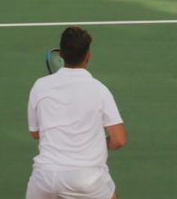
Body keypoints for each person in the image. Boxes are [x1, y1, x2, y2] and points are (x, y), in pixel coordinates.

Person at [27, 26, 126, 199]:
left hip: (45, 178)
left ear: (61, 55)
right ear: (88, 55)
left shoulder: (40, 86)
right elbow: (118, 140)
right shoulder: (100, 90)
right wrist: (96, 142)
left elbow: (35, 133)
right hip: (87, 180)